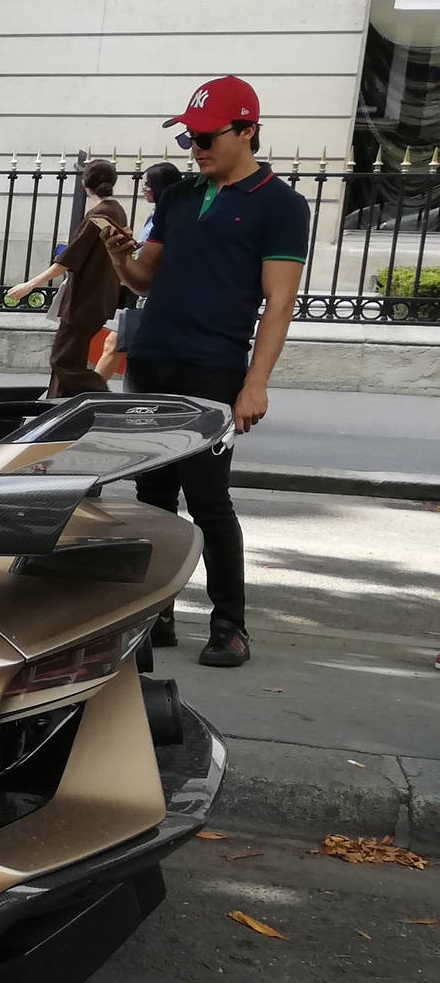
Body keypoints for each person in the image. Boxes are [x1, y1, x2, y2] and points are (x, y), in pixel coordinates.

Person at [114, 77, 308, 669]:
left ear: (247, 130)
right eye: (188, 138)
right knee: (151, 499)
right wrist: (120, 255)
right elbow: (145, 281)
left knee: (208, 500)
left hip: (213, 370)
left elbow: (279, 303)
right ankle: (157, 616)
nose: (194, 148)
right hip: (150, 361)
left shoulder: (281, 205)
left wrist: (255, 383)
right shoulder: (177, 198)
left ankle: (229, 623)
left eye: (205, 137)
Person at [3, 158, 130, 395]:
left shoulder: (99, 213)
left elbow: (70, 258)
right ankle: (57, 407)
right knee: (71, 357)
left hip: (85, 298)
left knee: (62, 360)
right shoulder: (117, 210)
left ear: (86, 185)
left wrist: (30, 284)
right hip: (100, 297)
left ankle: (98, 393)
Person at [96, 159, 180, 384]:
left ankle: (87, 394)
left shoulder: (171, 216)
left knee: (115, 344)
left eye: (148, 184)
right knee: (115, 344)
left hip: (156, 296)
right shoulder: (158, 215)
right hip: (148, 292)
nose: (144, 190)